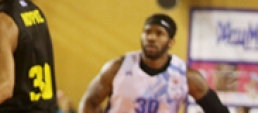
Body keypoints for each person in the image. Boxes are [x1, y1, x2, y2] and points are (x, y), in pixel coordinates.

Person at [79, 14, 227, 113]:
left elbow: (217, 110)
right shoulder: (118, 68)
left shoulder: (185, 75)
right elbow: (89, 102)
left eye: (159, 33)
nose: (151, 38)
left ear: (171, 42)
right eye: (147, 32)